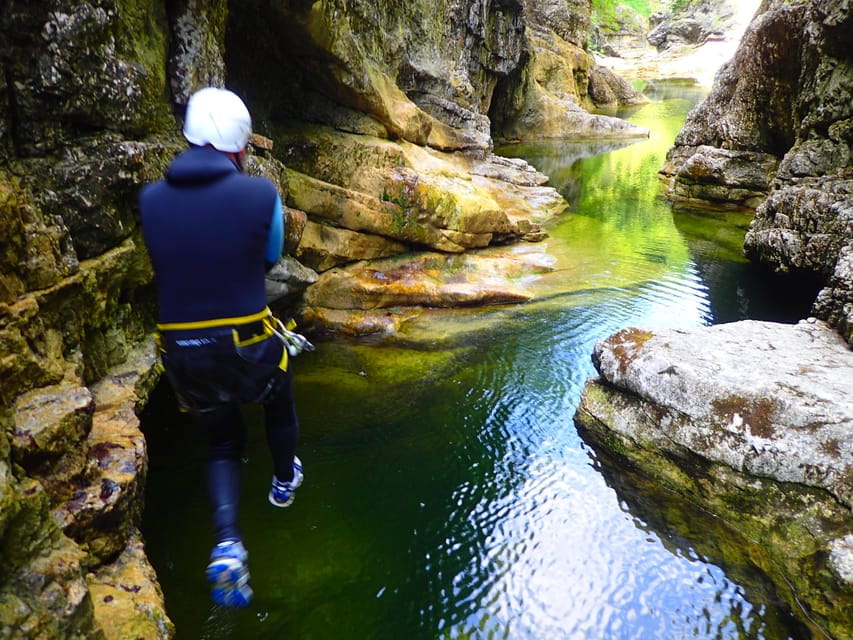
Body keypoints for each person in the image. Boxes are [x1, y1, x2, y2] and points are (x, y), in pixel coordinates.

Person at [139, 87, 309, 608]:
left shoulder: (150, 199)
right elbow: (271, 254)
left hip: (184, 355)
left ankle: (228, 544)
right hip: (246, 345)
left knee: (222, 443)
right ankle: (284, 480)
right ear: (238, 146)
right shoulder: (260, 195)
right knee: (278, 393)